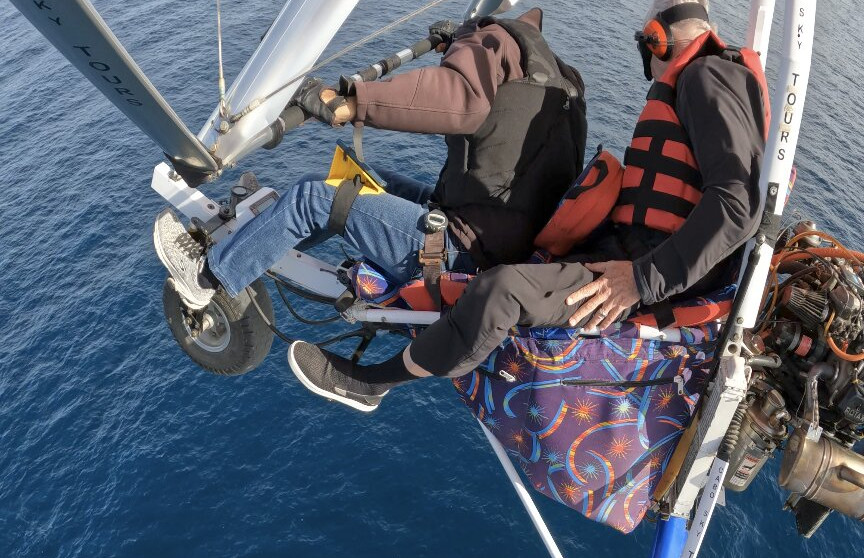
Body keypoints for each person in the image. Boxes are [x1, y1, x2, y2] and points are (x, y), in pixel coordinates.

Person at [286, 0, 769, 413]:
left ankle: (371, 384)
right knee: (494, 268)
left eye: (645, 43)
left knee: (502, 289)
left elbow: (736, 203)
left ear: (658, 41)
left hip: (648, 271)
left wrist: (641, 281)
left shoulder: (707, 76)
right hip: (633, 252)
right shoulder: (709, 80)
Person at [154, 8, 586, 311]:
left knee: (314, 198)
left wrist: (350, 103)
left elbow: (459, 101)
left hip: (462, 253)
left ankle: (205, 279)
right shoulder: (562, 79)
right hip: (495, 234)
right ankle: (263, 242)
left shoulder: (490, 42)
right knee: (357, 178)